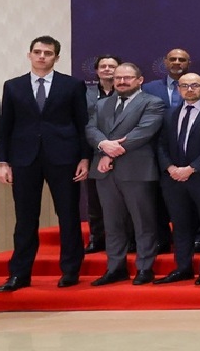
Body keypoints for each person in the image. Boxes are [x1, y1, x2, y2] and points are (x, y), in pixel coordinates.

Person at [0, 35, 90, 291]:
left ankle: (70, 270)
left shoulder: (72, 85)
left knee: (68, 216)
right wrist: (3, 161)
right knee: (25, 218)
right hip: (24, 158)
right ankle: (19, 274)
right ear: (29, 55)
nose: (41, 56)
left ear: (56, 57)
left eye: (47, 53)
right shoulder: (13, 86)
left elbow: (82, 124)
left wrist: (84, 157)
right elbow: (5, 127)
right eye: (37, 52)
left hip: (64, 157)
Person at [85, 63, 168, 285]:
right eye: (118, 78)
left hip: (136, 170)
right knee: (112, 224)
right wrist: (103, 144)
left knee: (143, 222)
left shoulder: (153, 103)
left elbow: (144, 132)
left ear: (140, 80)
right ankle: (115, 267)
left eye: (127, 78)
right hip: (104, 173)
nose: (121, 81)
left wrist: (110, 153)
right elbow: (91, 129)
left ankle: (145, 268)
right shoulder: (102, 104)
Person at [155, 73, 200, 285]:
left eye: (194, 85)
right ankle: (183, 267)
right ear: (178, 89)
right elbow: (160, 144)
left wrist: (192, 168)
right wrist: (170, 167)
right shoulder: (169, 114)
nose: (189, 89)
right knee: (180, 225)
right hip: (173, 178)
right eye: (184, 85)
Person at [82, 54, 121, 254]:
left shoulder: (128, 91)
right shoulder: (84, 93)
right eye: (103, 66)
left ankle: (128, 239)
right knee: (95, 200)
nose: (107, 69)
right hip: (93, 151)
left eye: (112, 66)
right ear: (96, 71)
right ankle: (96, 238)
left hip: (123, 151)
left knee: (125, 199)